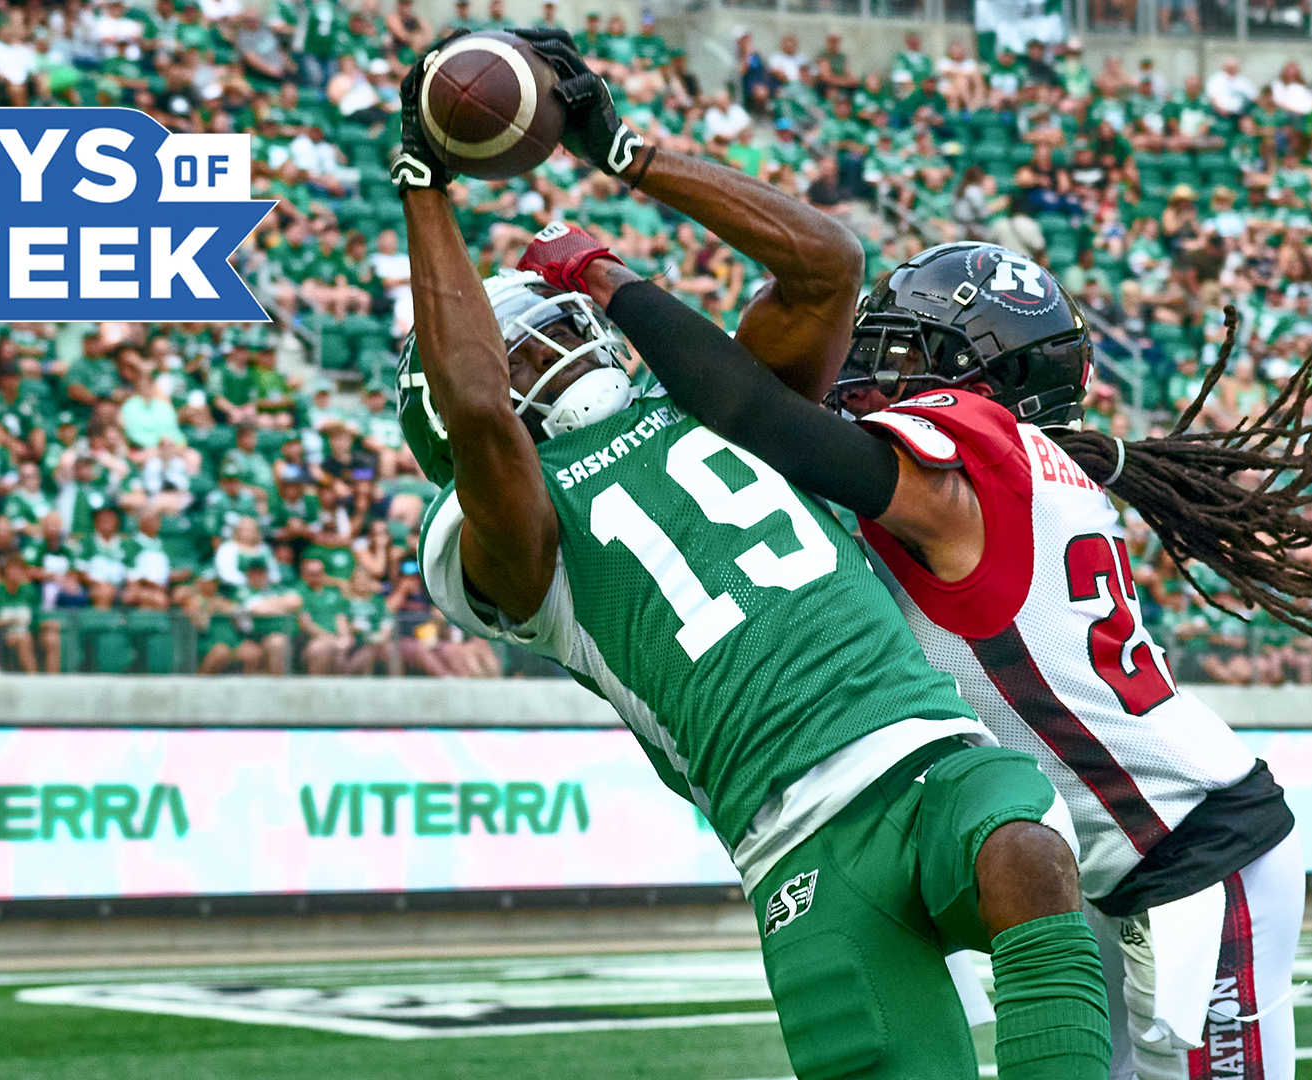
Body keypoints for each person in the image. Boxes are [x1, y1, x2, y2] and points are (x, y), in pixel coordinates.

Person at [516, 182, 1312, 1078]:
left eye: (898, 350)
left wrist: (606, 275)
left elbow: (756, 412)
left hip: (1190, 852)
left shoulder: (958, 456)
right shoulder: (1016, 466)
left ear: (970, 376)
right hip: (1108, 861)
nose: (865, 369)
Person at [389, 31, 1111, 1080]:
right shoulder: (505, 539)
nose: (558, 341)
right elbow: (481, 415)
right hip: (797, 849)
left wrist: (625, 150)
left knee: (1026, 854)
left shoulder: (713, 406)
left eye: (552, 325)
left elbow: (827, 269)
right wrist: (426, 186)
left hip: (925, 755)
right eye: (522, 342)